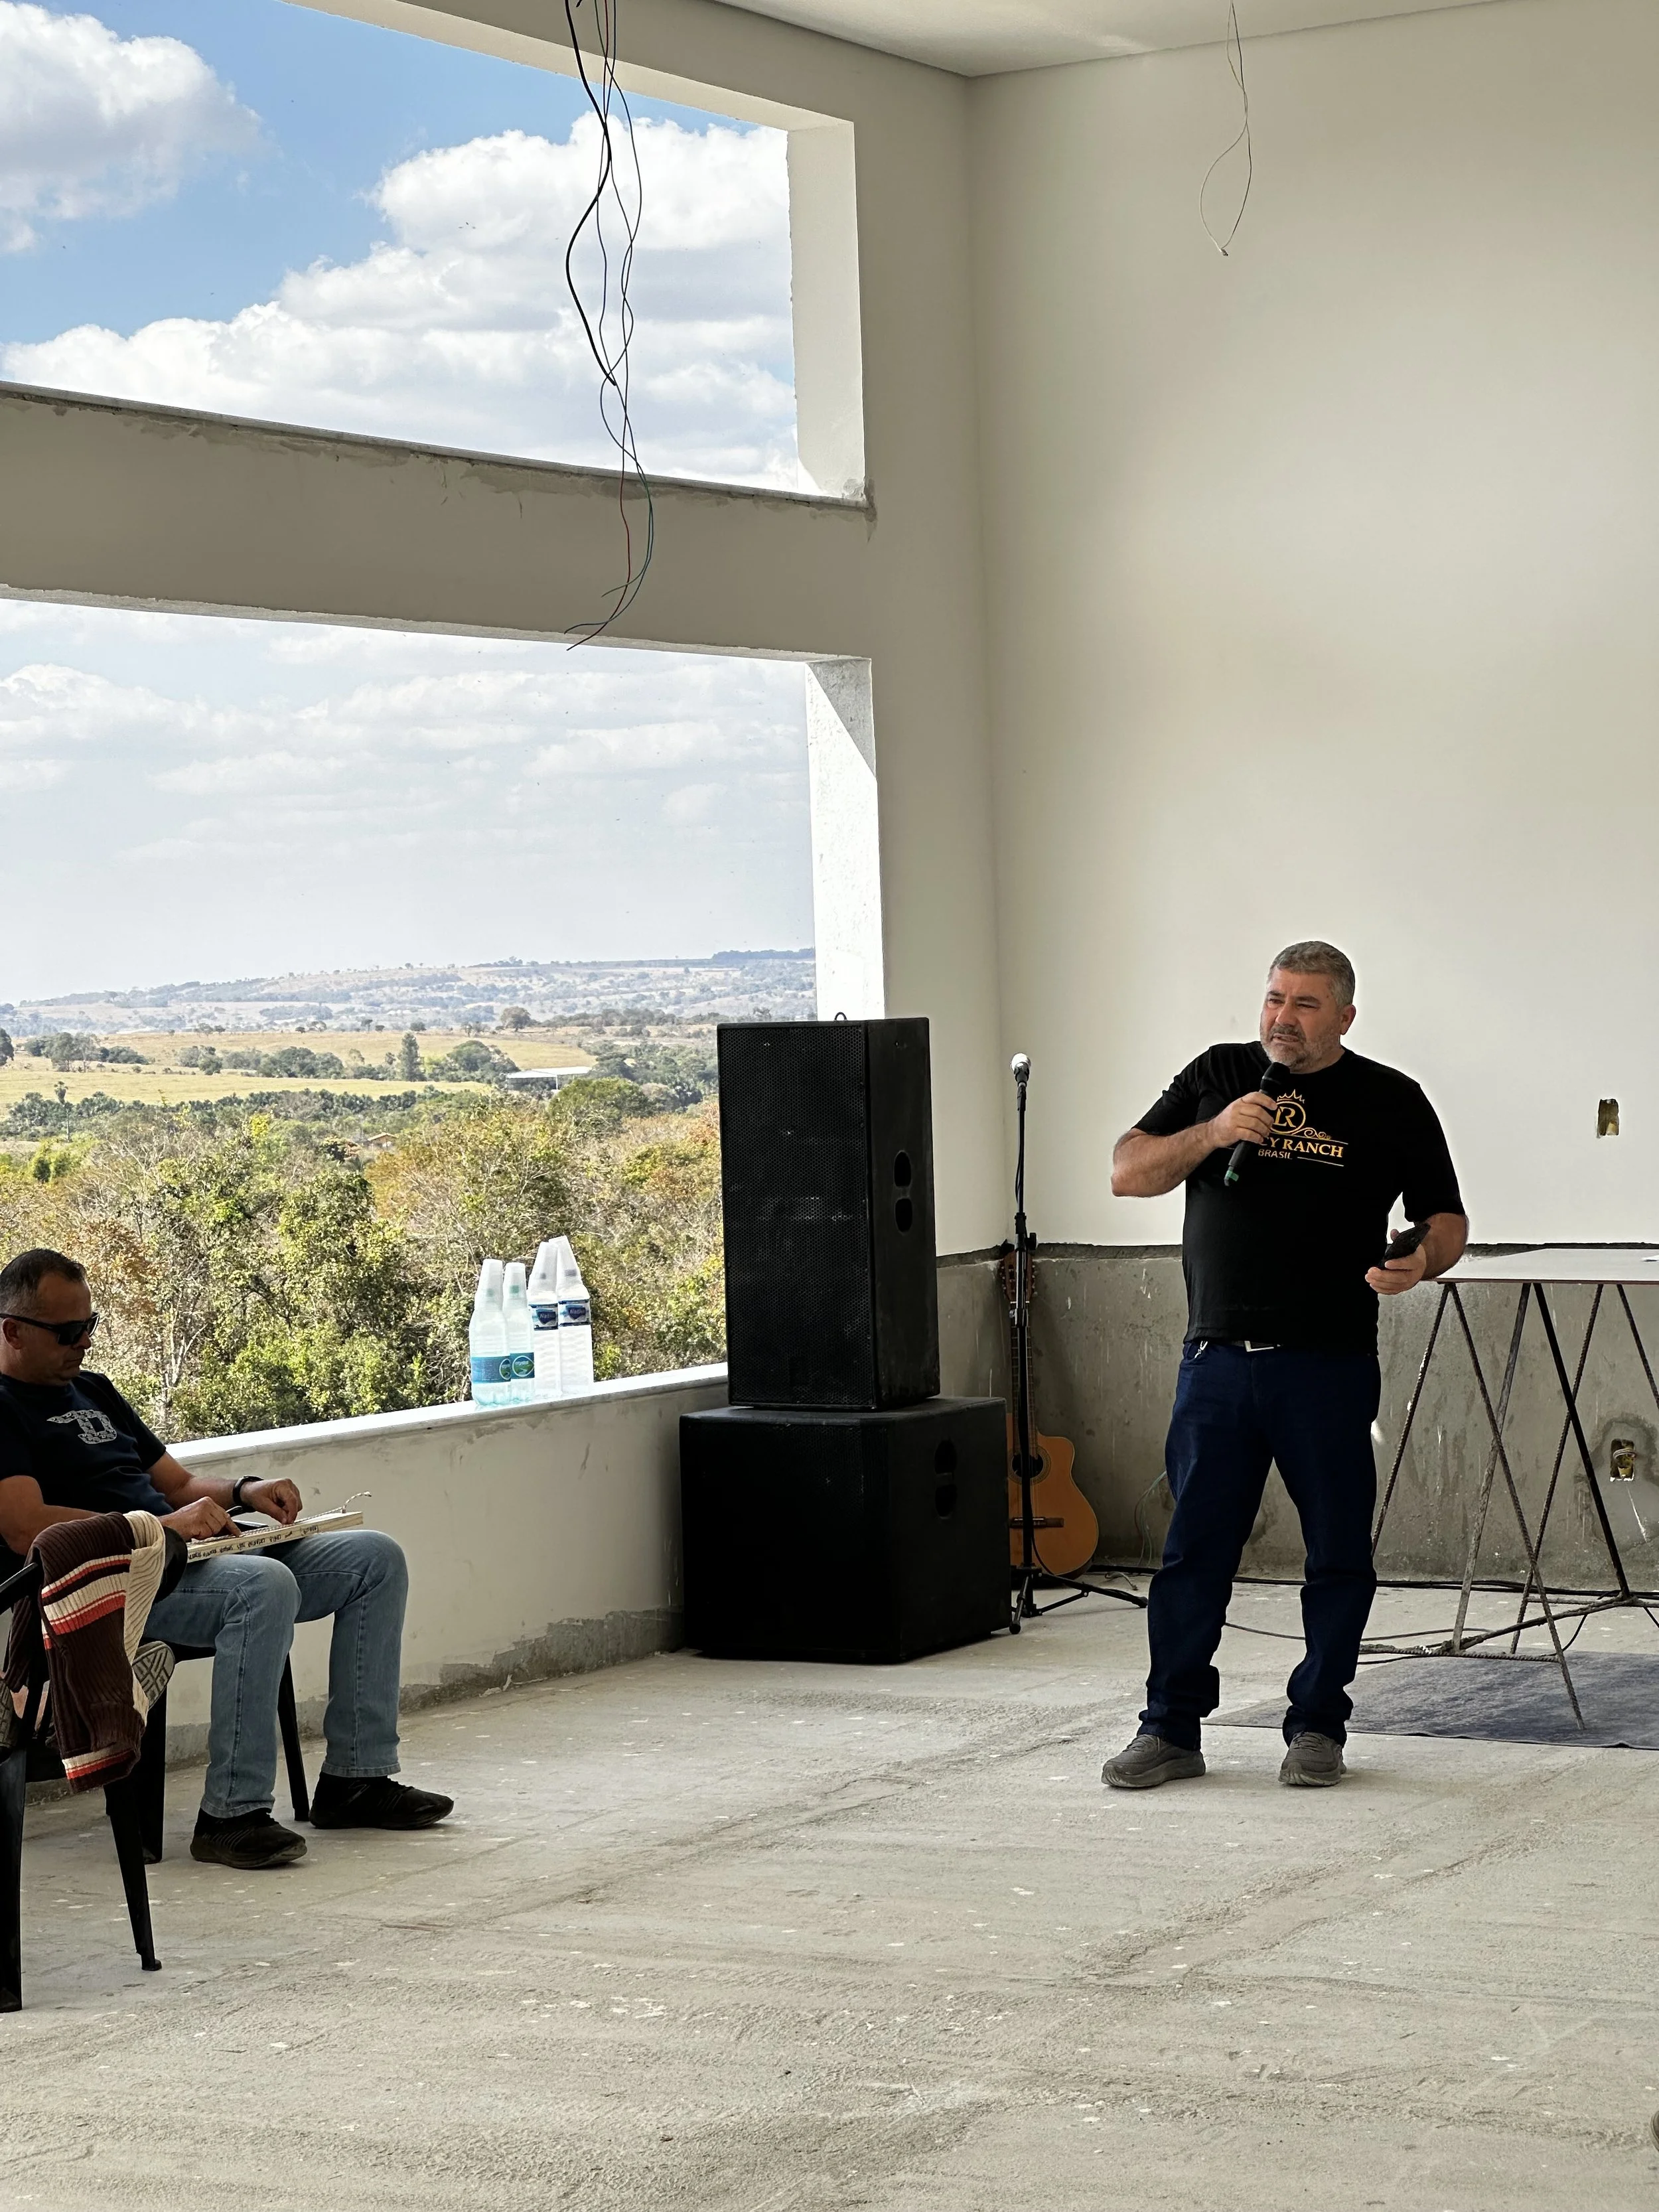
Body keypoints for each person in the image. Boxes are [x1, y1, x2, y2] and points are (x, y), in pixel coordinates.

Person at [1100, 942, 1467, 1791]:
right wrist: (1214, 1130)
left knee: (1337, 1552)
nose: (1282, 1018)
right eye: (1273, 999)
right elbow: (1126, 1171)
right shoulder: (1221, 1074)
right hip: (1216, 1362)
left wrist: (1422, 1260)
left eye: (1304, 1005)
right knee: (1193, 1553)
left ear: (1343, 1015)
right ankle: (1172, 1728)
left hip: (1328, 1364)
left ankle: (1316, 1725)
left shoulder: (1390, 1100)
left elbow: (1444, 1219)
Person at [0, 1246, 453, 1867]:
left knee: (376, 1559)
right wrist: (161, 1528)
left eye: (91, 1326)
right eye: (68, 1332)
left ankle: (356, 1779)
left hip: (188, 1552)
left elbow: (179, 1484)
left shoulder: (93, 1390)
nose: (84, 1343)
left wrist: (246, 1492)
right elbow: (24, 1528)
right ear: (13, 1331)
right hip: (116, 1584)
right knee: (261, 1587)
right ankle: (231, 1815)